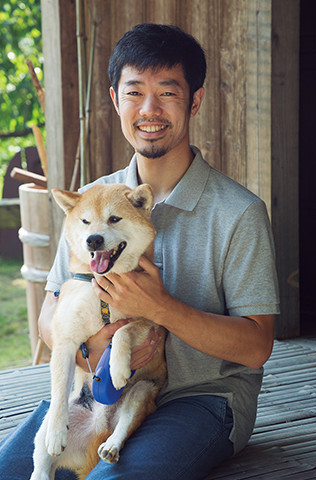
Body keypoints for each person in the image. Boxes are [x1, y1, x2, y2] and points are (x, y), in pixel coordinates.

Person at [0, 23, 280, 480]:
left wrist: (159, 308)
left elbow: (256, 347)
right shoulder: (90, 203)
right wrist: (94, 348)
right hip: (93, 390)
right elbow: (51, 314)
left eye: (167, 93)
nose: (149, 109)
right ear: (115, 100)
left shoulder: (238, 212)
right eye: (134, 93)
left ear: (195, 100)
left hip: (201, 398)